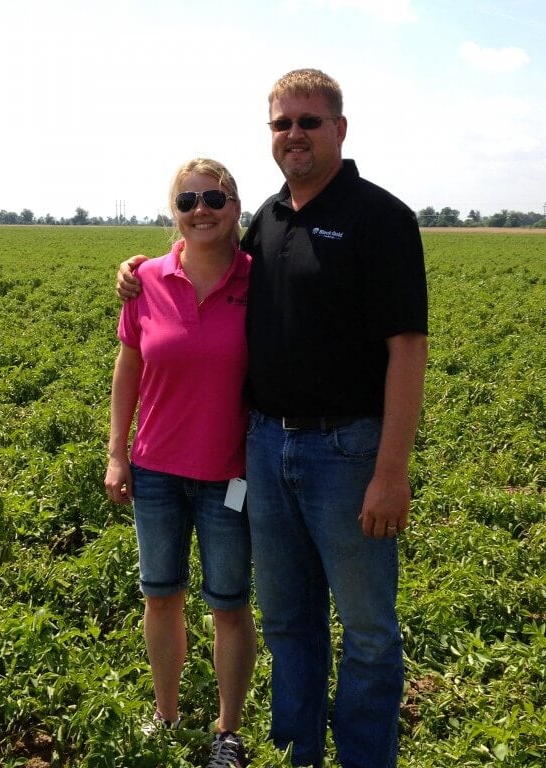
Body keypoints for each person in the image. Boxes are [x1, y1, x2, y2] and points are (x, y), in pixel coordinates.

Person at [117, 69, 428, 768]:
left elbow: (408, 348)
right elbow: (206, 265)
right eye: (282, 123)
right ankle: (300, 753)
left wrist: (391, 470)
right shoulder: (268, 217)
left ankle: (363, 758)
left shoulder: (381, 219)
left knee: (368, 628)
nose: (294, 134)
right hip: (262, 447)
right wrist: (137, 271)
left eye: (308, 122)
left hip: (348, 454)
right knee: (287, 619)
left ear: (339, 130)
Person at [105, 158, 256, 768]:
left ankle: (228, 732)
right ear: (175, 210)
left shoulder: (260, 279)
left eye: (214, 198)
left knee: (229, 603)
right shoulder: (146, 281)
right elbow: (129, 369)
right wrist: (117, 452)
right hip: (158, 471)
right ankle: (166, 716)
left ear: (235, 208)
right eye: (189, 198)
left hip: (231, 475)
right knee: (160, 595)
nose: (202, 208)